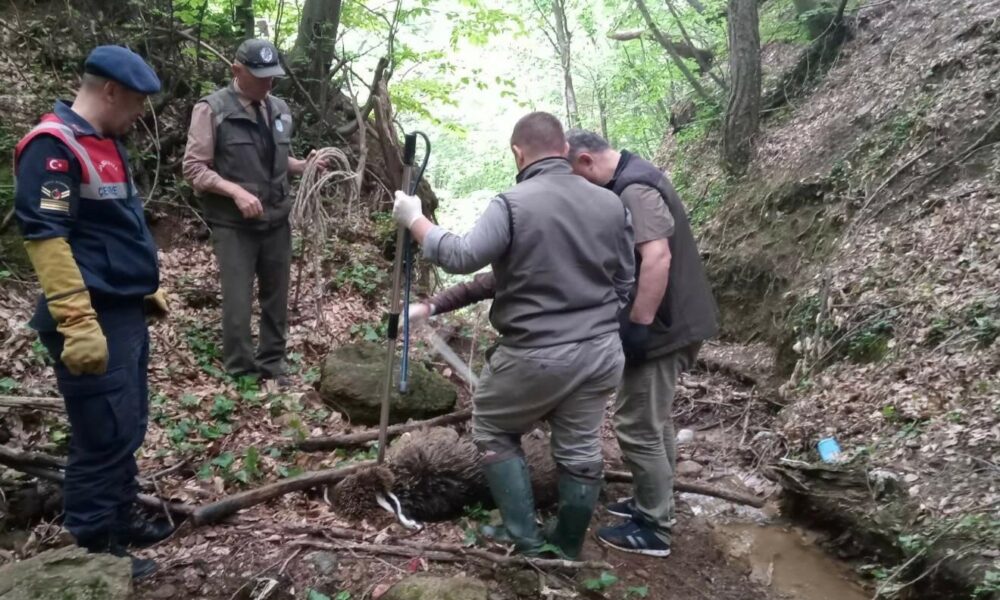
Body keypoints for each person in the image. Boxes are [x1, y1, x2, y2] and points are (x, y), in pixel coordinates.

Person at [391, 112, 635, 559]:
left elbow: (461, 255)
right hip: (602, 352)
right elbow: (624, 281)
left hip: (535, 354)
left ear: (518, 153)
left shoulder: (512, 203)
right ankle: (566, 547)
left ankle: (525, 540)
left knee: (493, 428)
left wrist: (415, 219)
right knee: (580, 446)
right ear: (565, 149)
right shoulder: (610, 202)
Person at [13, 45, 173, 578]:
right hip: (89, 315)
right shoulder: (53, 147)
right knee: (101, 433)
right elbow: (47, 239)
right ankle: (93, 550)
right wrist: (77, 321)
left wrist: (140, 287)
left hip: (122, 310)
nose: (140, 114)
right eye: (136, 102)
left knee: (127, 424)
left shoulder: (104, 144)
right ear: (109, 90)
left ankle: (121, 517)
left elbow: (116, 227)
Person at [567, 130, 719, 557]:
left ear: (585, 160)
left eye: (574, 176)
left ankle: (654, 527)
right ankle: (654, 501)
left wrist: (638, 324)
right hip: (673, 323)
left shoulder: (635, 188)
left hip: (664, 327)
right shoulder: (634, 176)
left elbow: (657, 257)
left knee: (636, 424)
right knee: (654, 420)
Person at [183, 38, 323, 387]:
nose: (268, 83)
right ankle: (242, 371)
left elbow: (276, 160)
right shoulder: (212, 109)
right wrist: (235, 191)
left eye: (273, 76)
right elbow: (194, 168)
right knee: (238, 300)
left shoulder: (280, 109)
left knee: (277, 296)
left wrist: (303, 166)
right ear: (237, 70)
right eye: (261, 77)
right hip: (234, 225)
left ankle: (272, 362)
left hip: (276, 220)